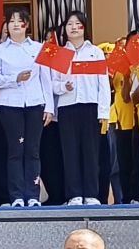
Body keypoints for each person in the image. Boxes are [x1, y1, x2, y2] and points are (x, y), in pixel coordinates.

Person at [48, 12, 112, 206]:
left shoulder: (95, 52)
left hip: (90, 106)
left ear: (85, 27)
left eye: (78, 24)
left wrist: (104, 112)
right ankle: (74, 194)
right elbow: (52, 84)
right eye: (70, 24)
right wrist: (63, 87)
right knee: (70, 152)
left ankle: (91, 194)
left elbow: (103, 84)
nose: (74, 27)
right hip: (67, 107)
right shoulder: (60, 53)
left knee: (91, 152)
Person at [0, 9, 48, 207]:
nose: (15, 24)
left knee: (33, 150)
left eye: (19, 21)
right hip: (10, 104)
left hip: (35, 103)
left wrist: (49, 107)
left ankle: (33, 195)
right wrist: (15, 79)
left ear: (27, 25)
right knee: (15, 150)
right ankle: (16, 196)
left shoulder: (38, 48)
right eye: (11, 21)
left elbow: (45, 79)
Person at [108, 38, 139, 204]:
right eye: (121, 47)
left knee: (138, 162)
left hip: (138, 121)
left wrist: (130, 74)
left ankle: (138, 194)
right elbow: (121, 95)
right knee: (123, 163)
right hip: (121, 121)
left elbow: (132, 96)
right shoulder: (117, 70)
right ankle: (124, 197)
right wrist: (123, 74)